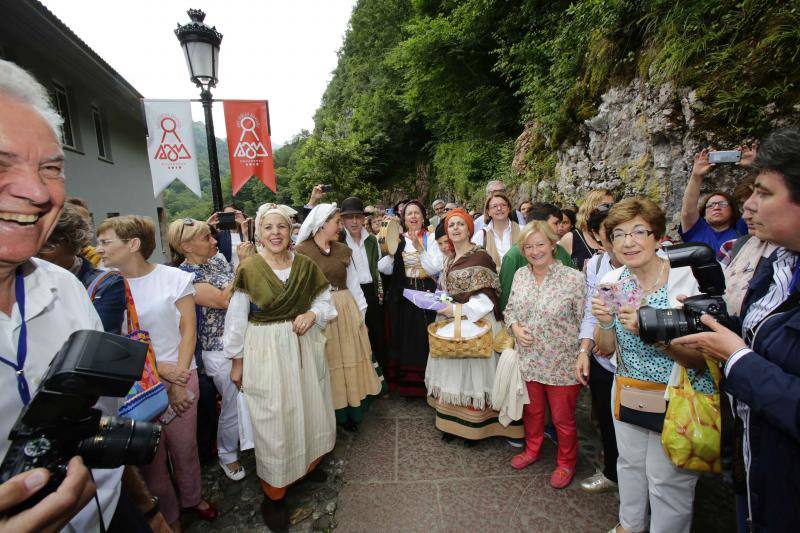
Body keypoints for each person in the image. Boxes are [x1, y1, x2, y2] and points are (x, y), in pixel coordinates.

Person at [0, 59, 167, 532]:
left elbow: (96, 421)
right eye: (1, 162)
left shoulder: (67, 289)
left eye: (51, 168)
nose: (34, 190)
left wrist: (149, 510)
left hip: (114, 512)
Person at [671, 127, 800, 533]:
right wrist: (709, 327)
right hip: (756, 462)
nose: (750, 203)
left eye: (763, 192)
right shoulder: (777, 267)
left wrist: (736, 356)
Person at [591, 197, 715, 533]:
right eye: (618, 234)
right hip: (629, 389)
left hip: (677, 394)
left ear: (657, 236)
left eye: (638, 231)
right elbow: (605, 351)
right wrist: (604, 323)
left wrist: (653, 334)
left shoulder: (685, 280)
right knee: (629, 465)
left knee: (667, 479)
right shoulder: (614, 280)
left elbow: (702, 357)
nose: (628, 242)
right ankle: (629, 526)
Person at [96, 215, 216, 530]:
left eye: (107, 242)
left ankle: (193, 498)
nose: (100, 249)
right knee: (151, 460)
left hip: (181, 375)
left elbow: (188, 330)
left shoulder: (173, 278)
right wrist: (157, 367)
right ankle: (169, 517)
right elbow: (114, 339)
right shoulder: (106, 286)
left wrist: (176, 379)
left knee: (185, 449)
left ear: (133, 244)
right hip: (136, 386)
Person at [223, 203, 336, 530]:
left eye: (282, 227)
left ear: (291, 232)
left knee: (310, 407)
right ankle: (274, 493)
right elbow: (236, 319)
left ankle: (307, 467)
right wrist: (236, 361)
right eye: (269, 227)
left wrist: (313, 314)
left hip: (304, 347)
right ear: (259, 232)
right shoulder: (249, 269)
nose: (275, 233)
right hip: (266, 351)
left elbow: (324, 301)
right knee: (275, 417)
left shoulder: (306, 265)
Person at [425, 209, 524, 442]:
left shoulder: (480, 257)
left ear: (470, 228)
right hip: (451, 321)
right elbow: (447, 291)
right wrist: (439, 302)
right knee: (453, 370)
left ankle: (477, 427)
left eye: (461, 224)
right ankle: (453, 424)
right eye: (451, 225)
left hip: (477, 322)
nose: (456, 228)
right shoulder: (449, 259)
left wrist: (458, 310)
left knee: (476, 373)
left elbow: (488, 298)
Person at [168, 218, 254, 482]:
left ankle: (253, 440)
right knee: (232, 404)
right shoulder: (185, 277)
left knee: (252, 397)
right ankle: (227, 453)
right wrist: (244, 265)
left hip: (245, 338)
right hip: (218, 349)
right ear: (186, 246)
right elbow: (224, 300)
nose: (215, 241)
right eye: (207, 237)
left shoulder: (216, 260)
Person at [504, 221, 586, 488]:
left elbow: (586, 321)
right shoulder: (520, 275)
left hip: (562, 361)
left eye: (541, 244)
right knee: (533, 411)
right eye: (529, 246)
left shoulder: (574, 279)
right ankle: (532, 449)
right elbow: (510, 310)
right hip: (529, 359)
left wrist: (584, 354)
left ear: (553, 244)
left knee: (563, 418)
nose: (535, 251)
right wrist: (515, 328)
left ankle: (566, 462)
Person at [295, 204, 383, 429]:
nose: (340, 227)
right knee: (330, 362)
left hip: (345, 308)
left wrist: (360, 313)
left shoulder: (342, 250)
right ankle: (333, 414)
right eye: (336, 222)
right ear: (322, 224)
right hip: (319, 312)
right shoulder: (302, 252)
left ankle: (353, 410)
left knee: (349, 359)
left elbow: (353, 283)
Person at [573, 205, 620, 493]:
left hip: (640, 364)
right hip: (603, 358)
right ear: (596, 236)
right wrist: (584, 349)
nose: (622, 241)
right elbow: (592, 310)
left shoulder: (656, 262)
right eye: (612, 233)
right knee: (606, 418)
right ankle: (613, 472)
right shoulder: (597, 265)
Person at [378, 200, 443, 397]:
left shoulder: (431, 238)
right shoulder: (397, 239)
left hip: (427, 291)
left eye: (417, 213)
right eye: (409, 214)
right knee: (406, 337)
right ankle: (408, 386)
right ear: (404, 219)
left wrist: (420, 248)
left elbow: (435, 267)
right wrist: (391, 252)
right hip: (404, 293)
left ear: (424, 217)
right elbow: (383, 268)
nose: (413, 217)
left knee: (426, 336)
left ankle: (430, 382)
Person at [37, 203, 126, 334]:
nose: (36, 253)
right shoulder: (23, 279)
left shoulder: (106, 284)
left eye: (47, 245)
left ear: (73, 242)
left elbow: (97, 340)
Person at [340, 197, 388, 381]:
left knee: (377, 336)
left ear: (363, 219)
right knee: (355, 338)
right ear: (342, 220)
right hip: (349, 295)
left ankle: (380, 380)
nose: (354, 221)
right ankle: (360, 383)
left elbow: (380, 267)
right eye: (349, 217)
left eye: (358, 217)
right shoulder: (339, 242)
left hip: (372, 292)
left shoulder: (372, 241)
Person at [499, 203, 575, 311]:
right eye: (556, 223)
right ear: (540, 224)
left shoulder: (561, 251)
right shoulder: (514, 256)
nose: (560, 227)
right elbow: (505, 299)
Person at [679, 148, 749, 253]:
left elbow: (761, 207)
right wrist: (696, 176)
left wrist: (753, 168)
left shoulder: (742, 228)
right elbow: (687, 211)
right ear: (704, 214)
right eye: (710, 205)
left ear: (732, 210)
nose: (716, 207)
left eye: (723, 204)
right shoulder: (697, 230)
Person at [559, 189, 613, 271]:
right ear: (590, 209)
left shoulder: (616, 235)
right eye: (605, 206)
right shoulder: (570, 239)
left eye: (612, 206)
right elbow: (559, 274)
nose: (610, 210)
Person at [471, 191, 521, 270]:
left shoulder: (523, 230)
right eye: (494, 206)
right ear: (488, 212)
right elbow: (473, 263)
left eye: (503, 205)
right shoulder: (481, 236)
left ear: (509, 208)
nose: (499, 208)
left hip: (520, 281)